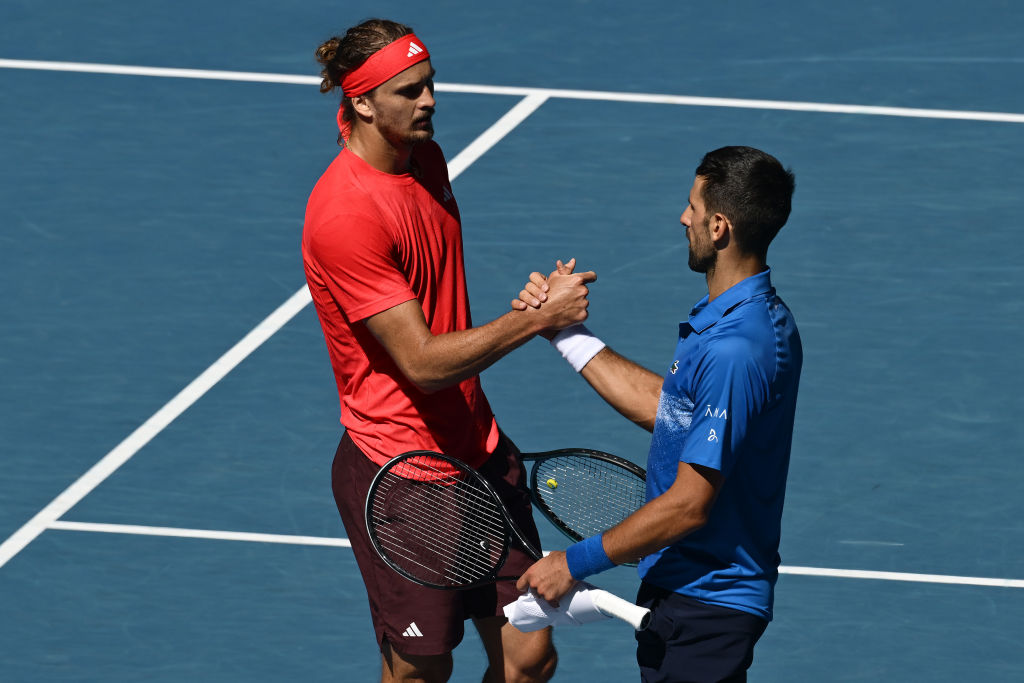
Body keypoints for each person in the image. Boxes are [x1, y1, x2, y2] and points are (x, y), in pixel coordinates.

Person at [302, 18, 596, 683]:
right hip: (403, 476)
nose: (429, 100)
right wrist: (535, 322)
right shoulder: (346, 215)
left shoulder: (424, 159)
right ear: (362, 103)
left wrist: (527, 309)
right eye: (409, 90)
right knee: (420, 669)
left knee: (529, 657)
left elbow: (437, 302)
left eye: (430, 84)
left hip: (477, 449)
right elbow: (421, 362)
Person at [514, 146, 801, 682]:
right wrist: (562, 333)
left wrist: (571, 563)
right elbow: (673, 413)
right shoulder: (745, 320)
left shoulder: (736, 349)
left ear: (719, 226)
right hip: (689, 590)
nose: (682, 217)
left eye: (692, 207)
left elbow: (689, 506)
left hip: (708, 603)